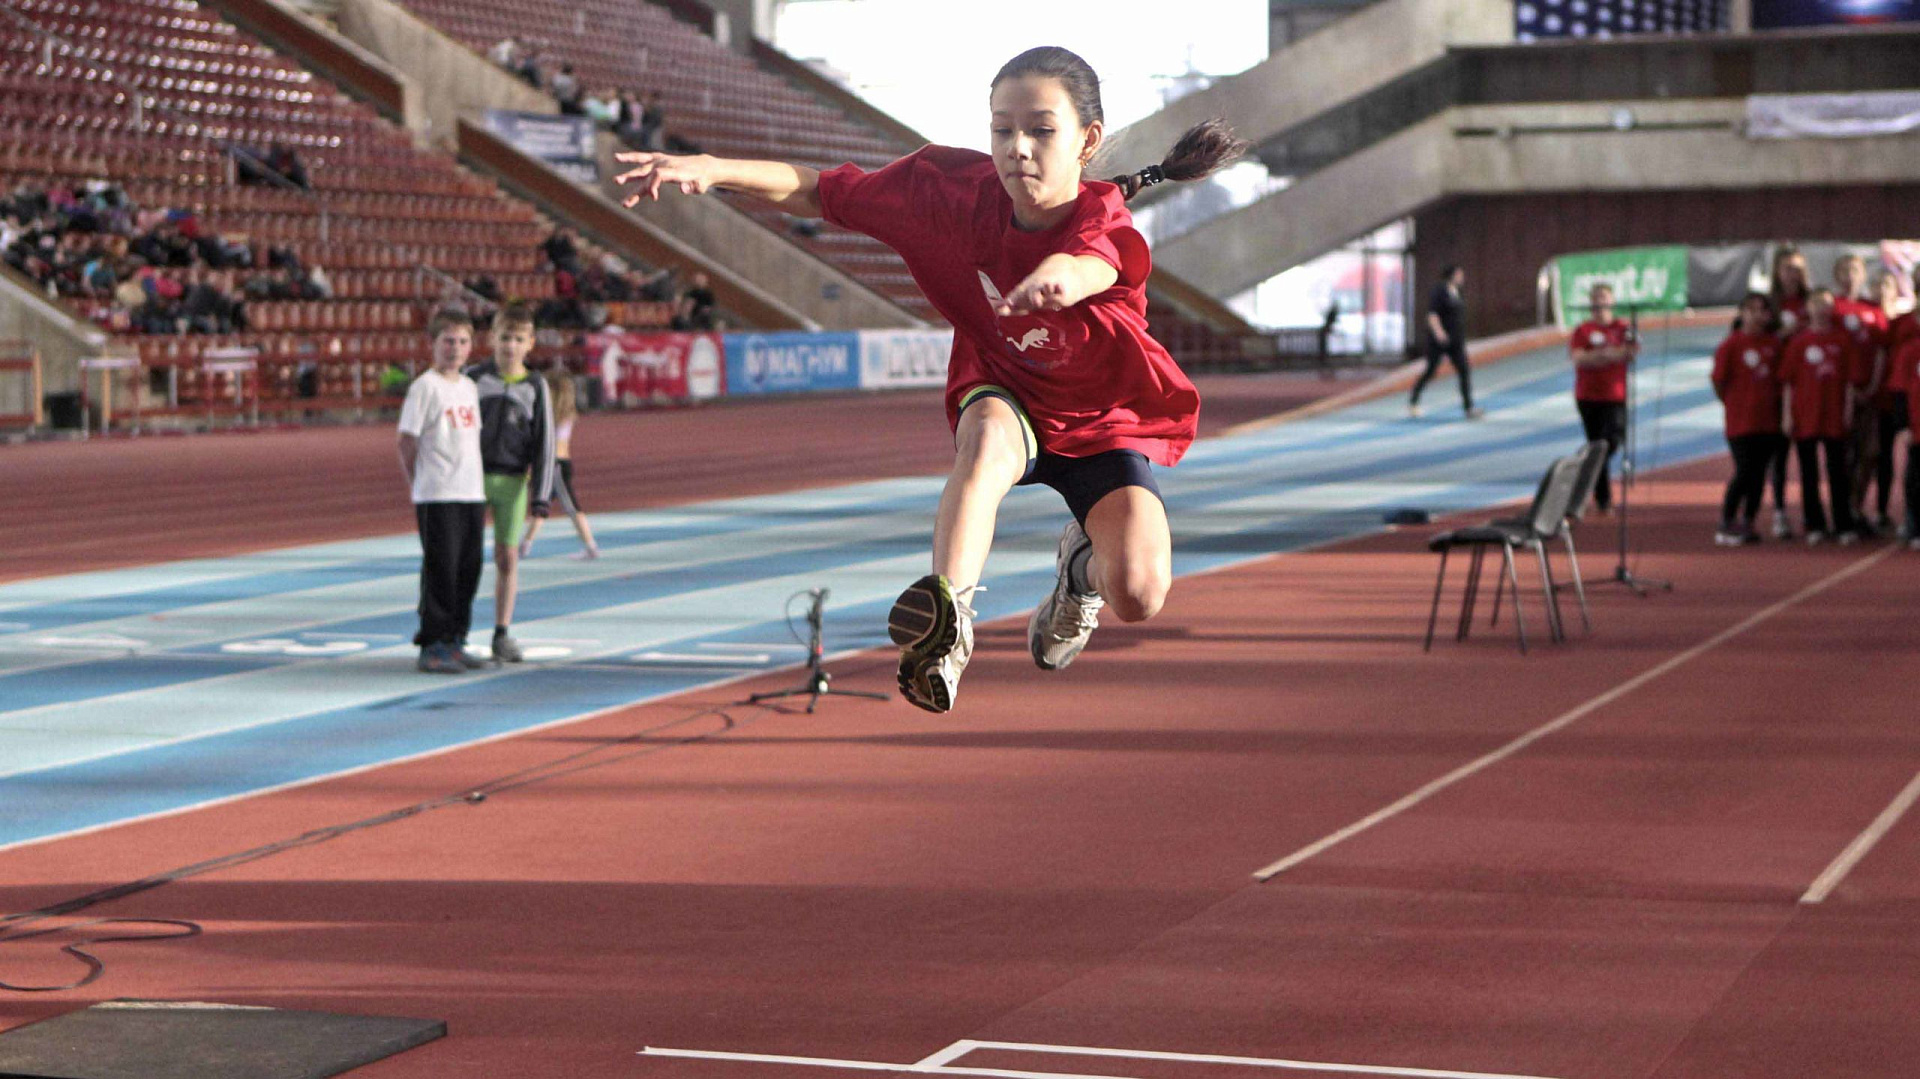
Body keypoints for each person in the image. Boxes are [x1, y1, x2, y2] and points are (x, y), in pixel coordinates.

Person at [615, 45, 1244, 713]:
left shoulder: (1102, 218)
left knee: (1140, 592)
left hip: (1098, 421)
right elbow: (819, 190)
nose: (1018, 148)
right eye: (1002, 129)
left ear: (1087, 140)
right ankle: (948, 629)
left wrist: (1060, 280)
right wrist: (713, 169)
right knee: (985, 443)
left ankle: (1078, 574)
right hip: (1006, 391)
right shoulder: (943, 191)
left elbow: (1094, 263)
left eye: (1041, 130)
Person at [398, 308, 488, 674]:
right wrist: (417, 480)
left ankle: (455, 638)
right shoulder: (425, 387)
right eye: (448, 341)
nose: (456, 348)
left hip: (471, 491)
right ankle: (433, 642)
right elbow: (407, 440)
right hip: (438, 492)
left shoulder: (469, 387)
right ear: (432, 344)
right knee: (442, 569)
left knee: (469, 568)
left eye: (463, 341)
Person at [466, 301, 556, 663]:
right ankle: (456, 630)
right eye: (505, 338)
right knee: (465, 557)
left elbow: (545, 443)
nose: (511, 346)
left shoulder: (535, 385)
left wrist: (541, 498)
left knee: (507, 557)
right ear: (492, 338)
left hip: (514, 482)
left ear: (530, 343)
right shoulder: (474, 379)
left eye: (519, 340)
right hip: (471, 480)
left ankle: (501, 632)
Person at [1779, 289, 1864, 545]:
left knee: (1838, 472)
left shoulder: (1842, 340)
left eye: (1826, 304)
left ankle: (1843, 524)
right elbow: (1788, 383)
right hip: (1806, 416)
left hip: (1834, 415)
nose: (1820, 309)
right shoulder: (1799, 342)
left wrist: (1848, 410)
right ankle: (1814, 524)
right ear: (1808, 308)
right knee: (1809, 472)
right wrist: (1787, 416)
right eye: (1816, 304)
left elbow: (1850, 382)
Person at [1710, 293, 1785, 545]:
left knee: (1760, 474)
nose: (1756, 315)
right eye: (1751, 309)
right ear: (1742, 313)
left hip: (1769, 421)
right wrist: (1733, 402)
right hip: (1740, 421)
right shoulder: (1731, 345)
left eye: (1762, 310)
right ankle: (1727, 519)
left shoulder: (1773, 344)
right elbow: (1719, 381)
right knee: (1744, 470)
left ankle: (1748, 520)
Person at [1831, 254, 1889, 538]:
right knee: (1844, 455)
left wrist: (1872, 387)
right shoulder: (1833, 308)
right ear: (1836, 275)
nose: (1849, 275)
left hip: (1871, 395)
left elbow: (1881, 351)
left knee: (1870, 452)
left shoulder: (1873, 310)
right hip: (1841, 396)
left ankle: (1856, 505)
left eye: (1854, 269)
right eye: (1844, 270)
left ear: (1863, 274)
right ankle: (1843, 512)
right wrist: (1848, 389)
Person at [1568, 282, 1637, 515]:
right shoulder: (1583, 330)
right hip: (1588, 396)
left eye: (1604, 297)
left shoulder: (1622, 327)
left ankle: (1586, 470)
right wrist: (1606, 356)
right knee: (1597, 444)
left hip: (1615, 395)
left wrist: (1604, 356)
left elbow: (1630, 352)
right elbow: (1579, 358)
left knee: (1612, 441)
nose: (1600, 303)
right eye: (1596, 298)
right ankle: (1603, 499)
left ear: (1612, 301)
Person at [519, 371, 600, 560]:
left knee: (572, 508)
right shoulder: (565, 414)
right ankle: (525, 544)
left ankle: (591, 546)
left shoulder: (556, 416)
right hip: (555, 464)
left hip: (556, 466)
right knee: (541, 505)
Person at [1763, 245, 1813, 538]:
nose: (1792, 274)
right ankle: (1780, 511)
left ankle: (1811, 512)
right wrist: (1780, 335)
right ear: (1777, 272)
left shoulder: (1811, 301)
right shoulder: (1769, 305)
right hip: (1776, 388)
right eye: (1787, 268)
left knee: (1809, 453)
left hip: (1810, 387)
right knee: (1779, 454)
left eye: (1797, 268)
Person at [1409, 265, 1480, 419]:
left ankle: (1469, 408)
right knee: (1431, 370)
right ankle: (1414, 400)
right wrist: (1439, 333)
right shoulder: (1439, 292)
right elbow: (1432, 314)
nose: (1461, 277)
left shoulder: (1458, 292)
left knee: (1464, 370)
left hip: (1456, 341)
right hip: (1439, 341)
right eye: (1459, 274)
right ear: (1451, 275)